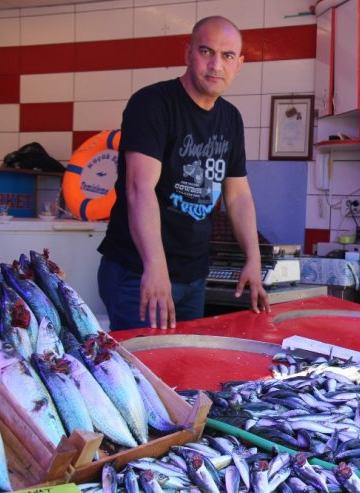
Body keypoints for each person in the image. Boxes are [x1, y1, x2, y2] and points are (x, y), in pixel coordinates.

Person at [98, 16, 270, 331]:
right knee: (145, 373)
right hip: (138, 270)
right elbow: (139, 190)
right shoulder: (152, 104)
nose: (216, 64)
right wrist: (155, 266)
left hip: (192, 276)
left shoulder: (230, 119)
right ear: (187, 53)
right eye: (206, 52)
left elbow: (238, 195)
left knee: (180, 372)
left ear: (239, 64)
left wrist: (253, 259)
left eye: (228, 55)